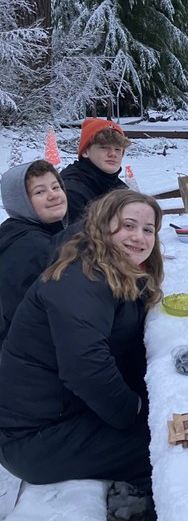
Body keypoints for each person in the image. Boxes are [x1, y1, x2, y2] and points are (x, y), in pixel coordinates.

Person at [0, 188, 164, 486]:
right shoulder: (81, 277)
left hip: (62, 412)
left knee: (161, 431)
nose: (139, 237)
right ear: (102, 226)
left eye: (148, 229)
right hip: (33, 437)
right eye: (128, 226)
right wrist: (136, 410)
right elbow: (86, 368)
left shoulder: (112, 269)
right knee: (161, 452)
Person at [0, 160, 68, 348]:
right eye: (40, 191)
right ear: (20, 202)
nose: (53, 195)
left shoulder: (14, 231)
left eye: (56, 187)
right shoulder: (36, 248)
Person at [60, 117, 131, 223]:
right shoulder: (72, 191)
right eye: (104, 147)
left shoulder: (120, 190)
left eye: (118, 149)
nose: (112, 154)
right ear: (85, 152)